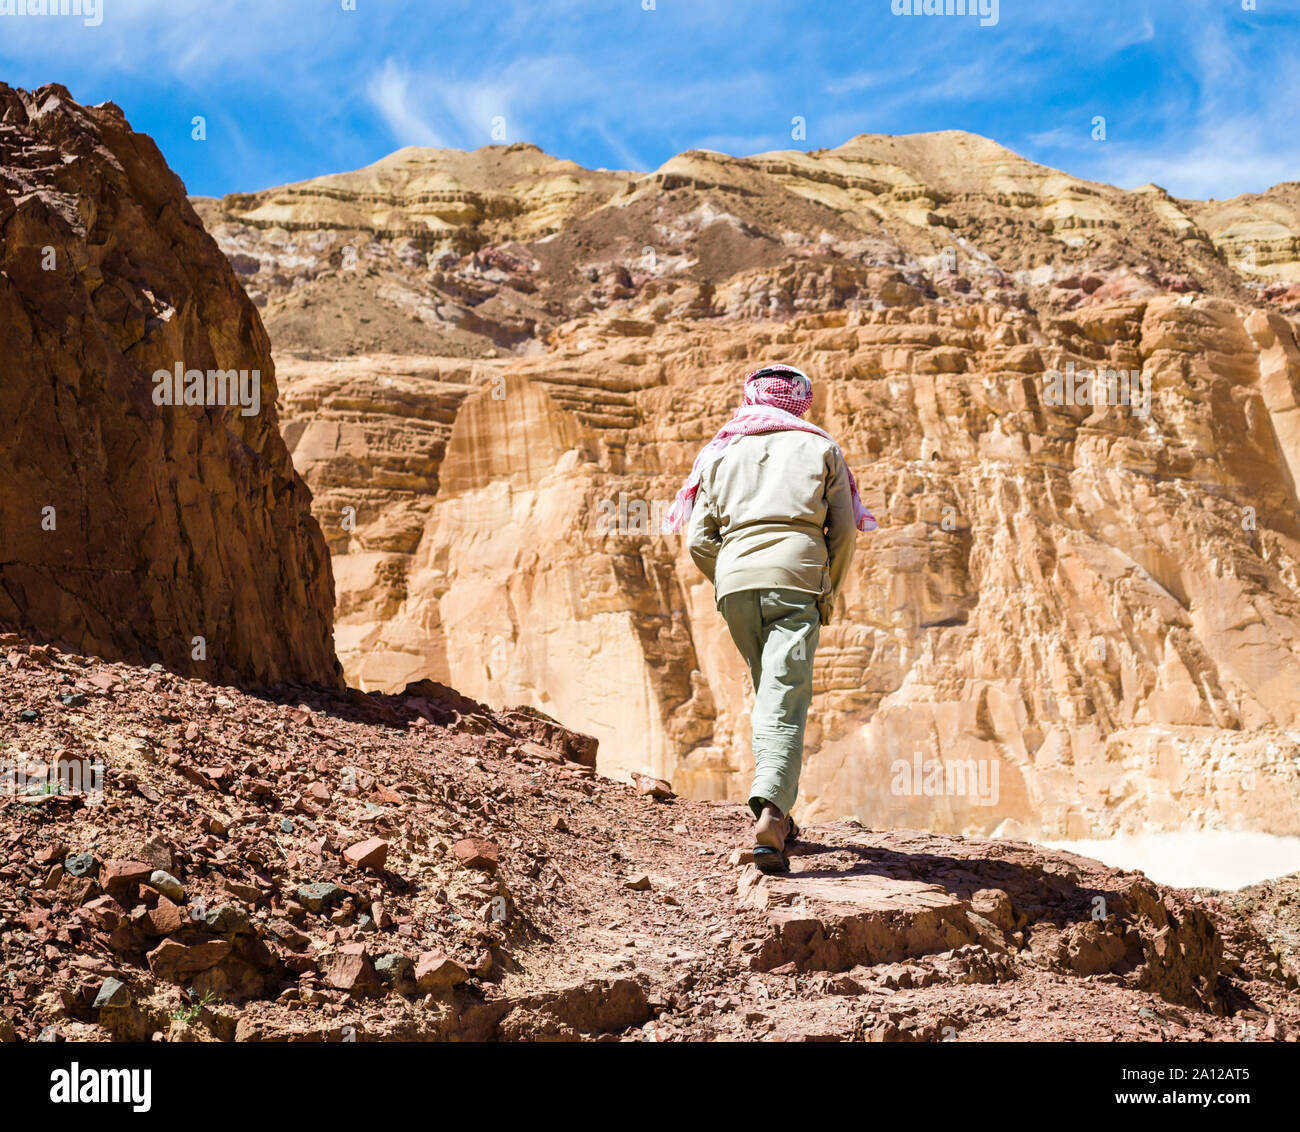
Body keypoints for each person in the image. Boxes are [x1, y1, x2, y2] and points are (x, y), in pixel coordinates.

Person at [663, 364, 876, 873]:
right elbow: (843, 533)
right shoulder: (821, 448)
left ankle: (778, 809)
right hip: (797, 578)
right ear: (799, 401)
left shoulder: (720, 450)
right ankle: (771, 813)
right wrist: (827, 589)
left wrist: (730, 576)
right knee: (787, 692)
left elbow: (697, 539)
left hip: (735, 583)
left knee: (769, 688)